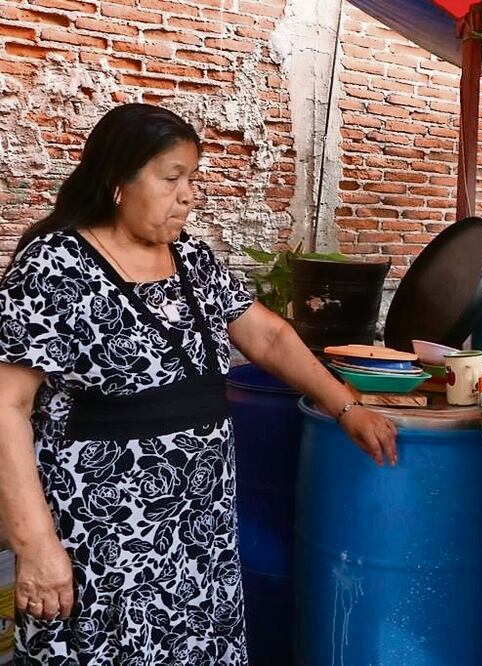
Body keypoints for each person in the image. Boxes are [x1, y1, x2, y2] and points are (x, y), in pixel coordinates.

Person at [0, 103, 399, 664]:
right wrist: (35, 547)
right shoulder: (53, 267)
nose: (189, 194)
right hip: (103, 535)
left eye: (192, 178)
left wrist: (345, 406)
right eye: (171, 178)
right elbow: (6, 408)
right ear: (117, 182)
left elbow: (268, 338)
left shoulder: (190, 259)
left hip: (200, 531)